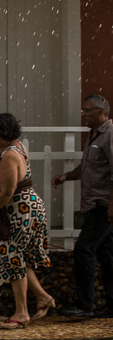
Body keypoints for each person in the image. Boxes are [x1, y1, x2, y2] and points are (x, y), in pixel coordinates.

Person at [0, 113, 54, 329]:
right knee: (21, 258)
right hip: (31, 208)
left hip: (20, 213)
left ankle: (21, 313)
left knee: (15, 260)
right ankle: (43, 298)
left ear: (4, 133)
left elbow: (6, 194)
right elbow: (2, 150)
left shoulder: (9, 157)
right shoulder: (17, 147)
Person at [52, 94, 113, 319]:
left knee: (84, 249)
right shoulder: (93, 136)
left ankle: (85, 305)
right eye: (82, 110)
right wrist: (67, 176)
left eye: (87, 110)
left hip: (103, 205)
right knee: (107, 254)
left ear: (100, 111)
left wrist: (111, 207)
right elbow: (87, 168)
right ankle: (111, 304)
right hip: (94, 204)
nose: (83, 114)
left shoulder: (110, 135)